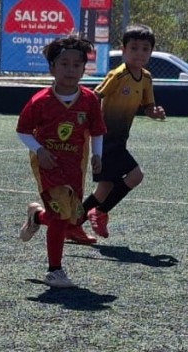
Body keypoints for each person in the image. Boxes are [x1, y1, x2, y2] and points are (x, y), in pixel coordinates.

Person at [16, 35, 106, 289]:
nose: (71, 70)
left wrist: (98, 156)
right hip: (48, 165)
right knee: (59, 217)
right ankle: (55, 271)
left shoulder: (89, 100)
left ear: (83, 68)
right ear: (52, 67)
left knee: (69, 218)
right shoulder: (40, 101)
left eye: (77, 65)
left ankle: (36, 217)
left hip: (74, 165)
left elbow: (97, 131)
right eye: (64, 64)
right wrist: (39, 150)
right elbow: (23, 130)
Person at [79, 24, 167, 241]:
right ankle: (100, 212)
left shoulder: (146, 78)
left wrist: (154, 112)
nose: (140, 53)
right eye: (134, 48)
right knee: (136, 175)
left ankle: (71, 224)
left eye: (145, 49)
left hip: (120, 140)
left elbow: (148, 106)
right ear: (124, 50)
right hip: (106, 138)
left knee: (104, 189)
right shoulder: (118, 75)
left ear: (151, 52)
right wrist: (81, 116)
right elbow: (95, 96)